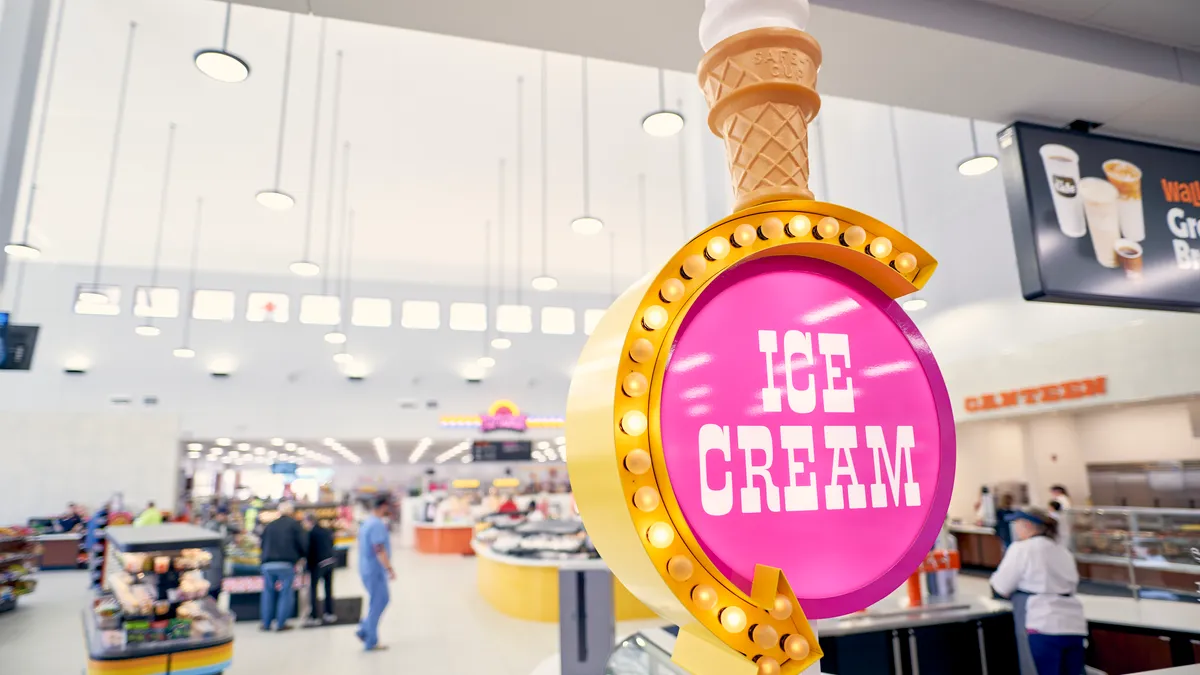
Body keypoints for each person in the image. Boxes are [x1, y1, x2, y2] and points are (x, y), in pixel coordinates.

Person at [990, 506, 1087, 675]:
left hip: (1041, 624)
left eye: (1017, 523)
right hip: (1073, 624)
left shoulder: (1022, 548)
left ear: (1027, 525)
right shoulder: (1062, 551)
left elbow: (1001, 585)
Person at [259, 502, 307, 631]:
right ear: (291, 512)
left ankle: (266, 623)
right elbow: (303, 543)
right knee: (285, 593)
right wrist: (302, 557)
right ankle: (281, 624)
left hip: (267, 563)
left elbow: (262, 544)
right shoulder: (295, 525)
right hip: (286, 563)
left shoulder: (270, 526)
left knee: (268, 592)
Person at [356, 496, 395, 652]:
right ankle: (370, 639)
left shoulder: (367, 522)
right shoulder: (377, 524)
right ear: (383, 506)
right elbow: (378, 548)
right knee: (380, 600)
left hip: (367, 567)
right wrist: (389, 568)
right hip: (375, 569)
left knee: (378, 600)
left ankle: (365, 629)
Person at [304, 513, 338, 626]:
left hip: (318, 564)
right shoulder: (327, 530)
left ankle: (314, 616)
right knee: (328, 589)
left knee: (313, 590)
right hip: (330, 561)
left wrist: (307, 565)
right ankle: (330, 613)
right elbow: (332, 543)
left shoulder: (311, 533)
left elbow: (309, 550)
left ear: (309, 521)